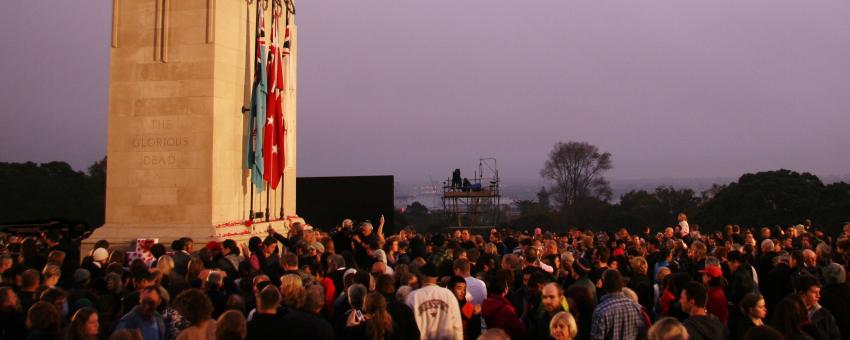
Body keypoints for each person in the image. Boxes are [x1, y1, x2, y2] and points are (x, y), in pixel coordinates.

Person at [405, 263, 463, 340]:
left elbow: (407, 326)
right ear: (437, 277)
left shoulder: (413, 297)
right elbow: (457, 324)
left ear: (421, 277)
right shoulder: (449, 295)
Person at [590, 269, 645, 340]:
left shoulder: (601, 310)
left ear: (604, 283)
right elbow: (642, 333)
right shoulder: (636, 307)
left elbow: (596, 338)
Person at [796, 275, 841, 340]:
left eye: (819, 292)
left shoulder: (825, 314)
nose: (818, 296)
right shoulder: (789, 313)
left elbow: (835, 336)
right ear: (802, 293)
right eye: (814, 292)